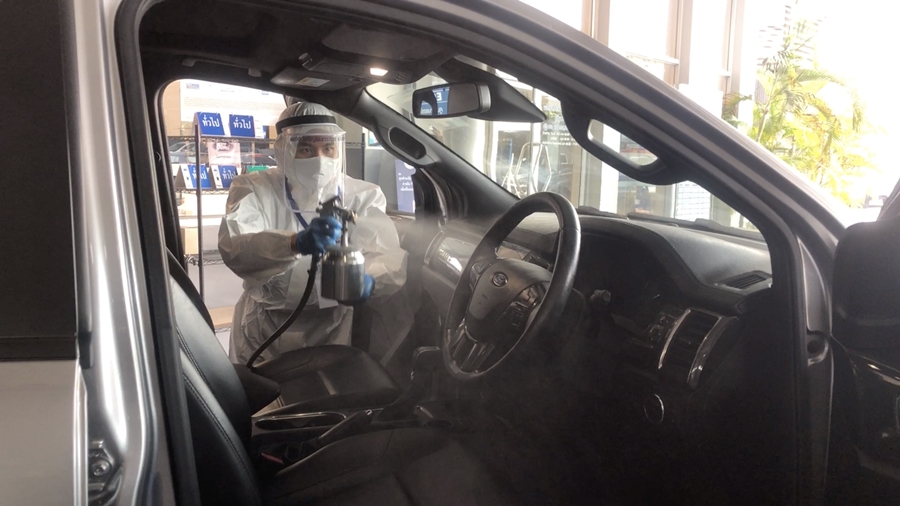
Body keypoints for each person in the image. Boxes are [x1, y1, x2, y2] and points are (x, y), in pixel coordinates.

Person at [219, 102, 408, 364]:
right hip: (264, 328)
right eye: (306, 149)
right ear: (284, 149)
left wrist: (372, 280)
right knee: (259, 389)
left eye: (328, 148)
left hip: (331, 328)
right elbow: (235, 249)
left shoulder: (363, 195)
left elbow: (385, 256)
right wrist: (293, 243)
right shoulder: (254, 188)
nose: (319, 159)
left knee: (324, 388)